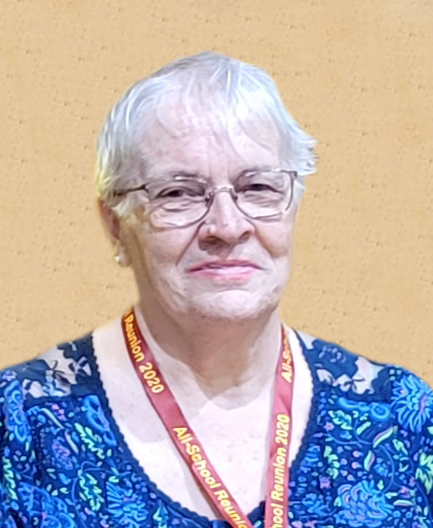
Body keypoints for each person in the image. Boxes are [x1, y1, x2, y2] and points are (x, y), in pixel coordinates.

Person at [0, 51, 432, 528]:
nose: (227, 226)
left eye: (258, 188)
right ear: (116, 226)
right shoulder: (23, 428)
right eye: (178, 193)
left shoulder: (399, 418)